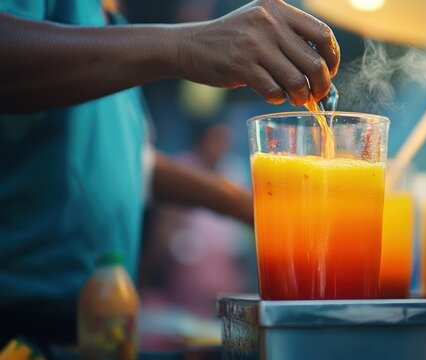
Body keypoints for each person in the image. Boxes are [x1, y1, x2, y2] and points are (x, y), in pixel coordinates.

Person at [0, 0, 340, 346]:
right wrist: (181, 45)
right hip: (18, 329)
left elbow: (128, 161)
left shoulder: (111, 33)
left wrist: (249, 205)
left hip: (101, 327)